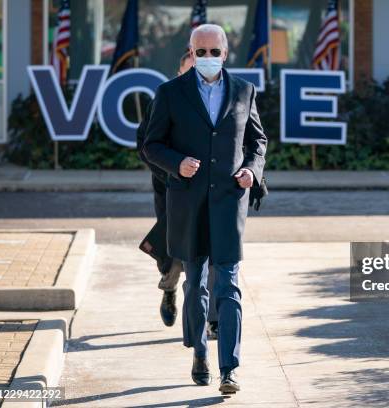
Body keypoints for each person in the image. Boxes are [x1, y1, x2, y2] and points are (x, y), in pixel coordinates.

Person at [142, 24, 267, 394]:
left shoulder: (245, 91)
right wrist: (176, 163)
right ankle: (200, 352)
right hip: (189, 205)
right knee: (195, 285)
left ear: (225, 54)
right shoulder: (170, 93)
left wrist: (251, 170)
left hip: (229, 204)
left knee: (228, 285)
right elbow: (152, 145)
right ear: (191, 53)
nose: (208, 58)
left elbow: (257, 142)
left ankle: (229, 368)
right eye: (201, 52)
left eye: (215, 51)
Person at [137, 52, 219, 338]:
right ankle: (169, 288)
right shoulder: (164, 98)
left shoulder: (215, 99)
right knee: (174, 257)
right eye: (187, 71)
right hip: (172, 190)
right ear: (178, 72)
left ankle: (210, 321)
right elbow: (146, 145)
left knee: (208, 257)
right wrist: (173, 171)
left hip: (207, 193)